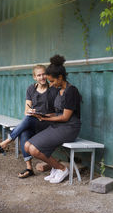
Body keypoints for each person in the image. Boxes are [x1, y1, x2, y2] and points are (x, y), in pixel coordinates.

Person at [0, 65, 58, 178]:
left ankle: (5, 143)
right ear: (35, 77)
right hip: (33, 121)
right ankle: (29, 168)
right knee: (24, 130)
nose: (42, 77)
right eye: (39, 75)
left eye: (44, 74)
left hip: (47, 124)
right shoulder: (31, 89)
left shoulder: (53, 90)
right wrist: (31, 111)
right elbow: (26, 110)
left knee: (29, 119)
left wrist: (43, 115)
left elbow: (58, 113)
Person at [24, 55, 82, 184]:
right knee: (27, 146)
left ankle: (61, 169)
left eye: (52, 81)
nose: (51, 84)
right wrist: (43, 115)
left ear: (60, 77)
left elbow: (65, 117)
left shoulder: (71, 91)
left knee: (34, 149)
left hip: (69, 127)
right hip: (59, 125)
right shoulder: (59, 90)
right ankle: (55, 168)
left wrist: (46, 119)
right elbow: (57, 113)